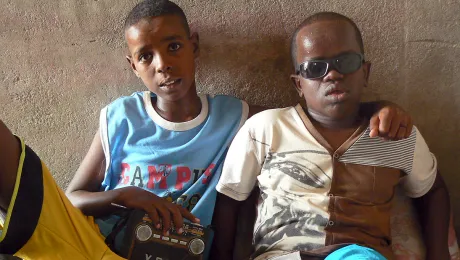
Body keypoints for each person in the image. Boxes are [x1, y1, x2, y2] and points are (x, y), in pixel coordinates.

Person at [0, 1, 413, 259]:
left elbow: (314, 109)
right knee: (14, 162)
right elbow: (71, 200)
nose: (163, 63)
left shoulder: (236, 117)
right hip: (99, 248)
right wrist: (124, 195)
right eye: (147, 56)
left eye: (174, 46)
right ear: (133, 66)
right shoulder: (119, 117)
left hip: (181, 253)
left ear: (194, 46)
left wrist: (377, 106)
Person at [213, 12, 450, 260]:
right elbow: (229, 198)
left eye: (345, 62)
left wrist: (439, 254)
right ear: (298, 85)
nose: (332, 75)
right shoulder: (266, 128)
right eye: (315, 68)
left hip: (359, 254)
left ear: (365, 72)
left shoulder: (394, 133)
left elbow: (433, 191)